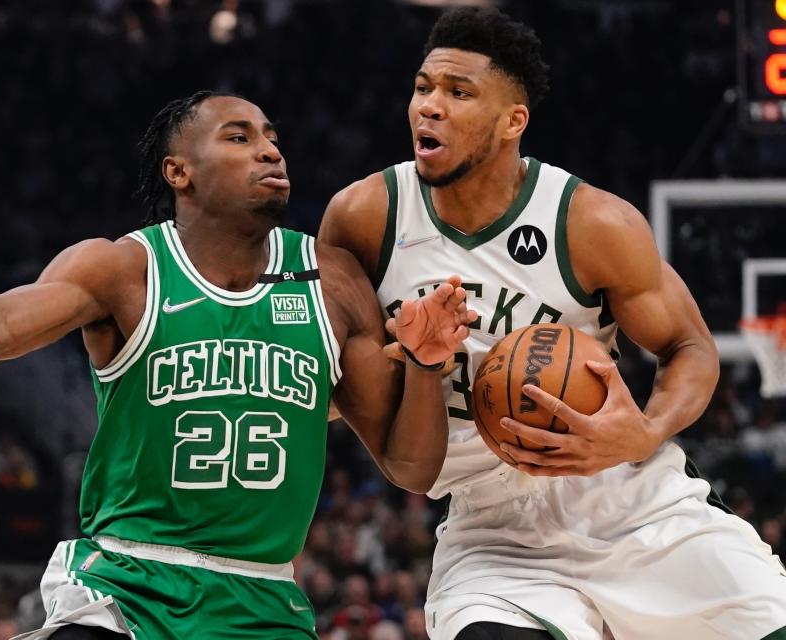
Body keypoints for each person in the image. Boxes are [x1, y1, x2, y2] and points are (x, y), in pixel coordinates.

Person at [0, 91, 476, 640]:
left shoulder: (334, 279)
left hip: (263, 600)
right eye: (239, 137)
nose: (269, 149)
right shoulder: (124, 269)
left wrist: (426, 364)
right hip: (126, 587)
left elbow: (410, 466)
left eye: (271, 136)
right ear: (179, 171)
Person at [319, 8, 786, 640]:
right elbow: (346, 385)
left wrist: (643, 432)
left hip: (632, 508)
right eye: (424, 87)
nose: (429, 106)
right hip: (493, 535)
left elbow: (689, 346)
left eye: (458, 93)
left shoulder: (592, 223)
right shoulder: (364, 217)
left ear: (514, 120)